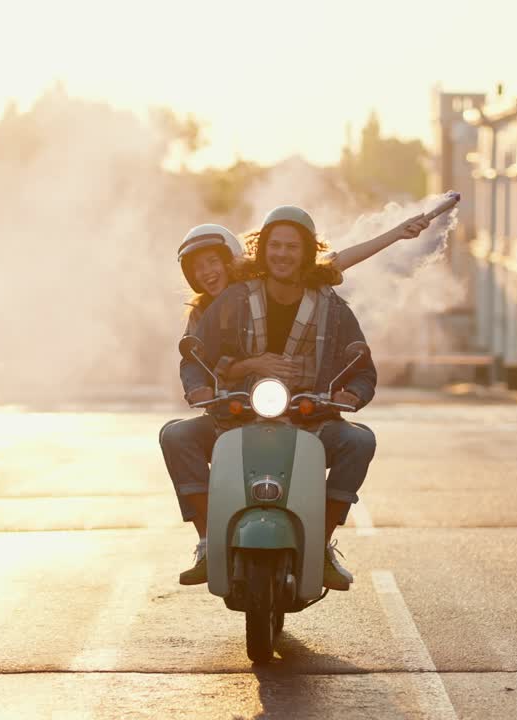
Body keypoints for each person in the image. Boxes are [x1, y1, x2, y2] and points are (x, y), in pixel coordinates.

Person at [161, 206, 388, 591]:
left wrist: (350, 392)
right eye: (275, 246)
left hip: (310, 415)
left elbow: (361, 365)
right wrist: (198, 385)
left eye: (292, 246)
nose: (282, 254)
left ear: (306, 252)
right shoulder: (233, 299)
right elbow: (196, 352)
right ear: (262, 250)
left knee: (359, 439)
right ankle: (207, 540)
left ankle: (320, 545)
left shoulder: (332, 306)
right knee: (176, 436)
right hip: (237, 413)